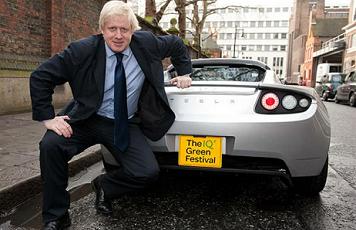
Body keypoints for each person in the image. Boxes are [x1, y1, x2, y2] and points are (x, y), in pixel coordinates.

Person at [30, 1, 192, 229]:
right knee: (50, 146)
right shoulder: (82, 49)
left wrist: (184, 71)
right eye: (112, 29)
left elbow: (176, 43)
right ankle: (56, 216)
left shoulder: (146, 44)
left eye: (124, 29)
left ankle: (105, 186)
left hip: (125, 122)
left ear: (132, 31)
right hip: (87, 118)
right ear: (102, 30)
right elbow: (40, 76)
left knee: (147, 173)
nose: (118, 35)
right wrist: (48, 118)